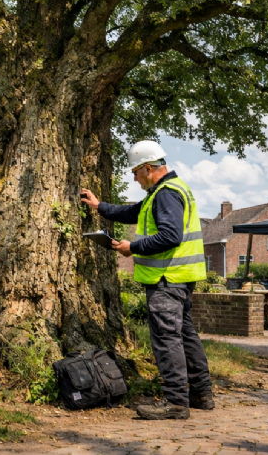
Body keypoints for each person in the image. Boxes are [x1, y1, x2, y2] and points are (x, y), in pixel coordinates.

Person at [80, 140, 213, 420]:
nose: (134, 178)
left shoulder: (165, 194)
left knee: (167, 339)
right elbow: (132, 212)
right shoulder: (169, 190)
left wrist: (133, 247)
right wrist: (99, 206)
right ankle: (201, 394)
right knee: (185, 336)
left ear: (148, 168)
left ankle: (176, 402)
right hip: (179, 278)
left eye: (135, 172)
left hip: (165, 279)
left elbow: (170, 236)